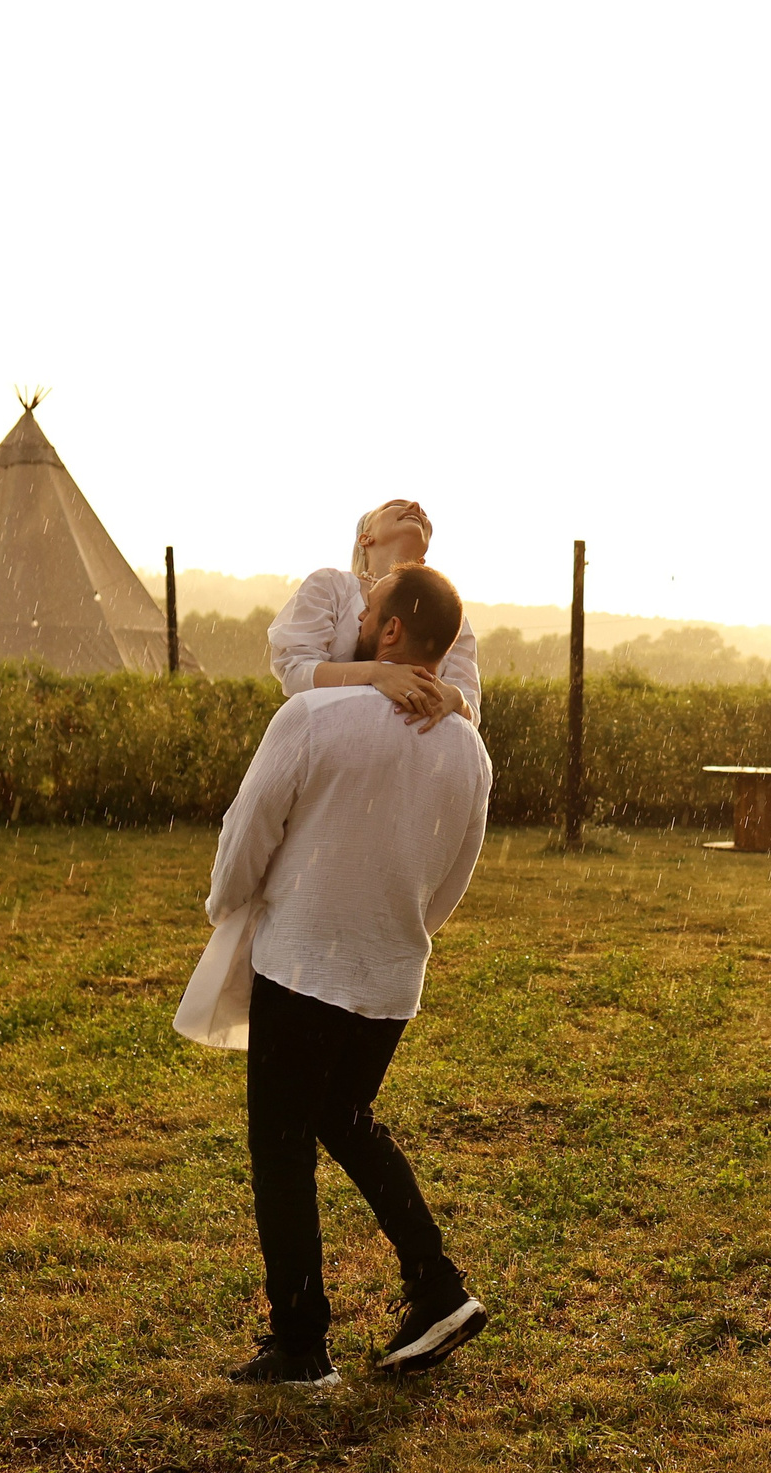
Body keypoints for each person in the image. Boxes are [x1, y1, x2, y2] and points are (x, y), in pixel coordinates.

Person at [175, 564, 494, 1387]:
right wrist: (399, 930)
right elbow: (453, 875)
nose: (354, 613)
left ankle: (301, 1343)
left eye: (368, 605)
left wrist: (227, 904)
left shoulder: (311, 716)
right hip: (390, 978)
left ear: (389, 632)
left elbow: (249, 830)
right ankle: (435, 1283)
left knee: (280, 1148)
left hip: (304, 962)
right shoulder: (468, 748)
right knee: (344, 1117)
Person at [267, 500, 481, 731]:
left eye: (423, 514)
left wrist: (457, 699)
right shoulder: (330, 586)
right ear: (365, 537)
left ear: (422, 559)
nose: (416, 506)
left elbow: (470, 715)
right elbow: (294, 670)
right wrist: (376, 673)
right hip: (330, 738)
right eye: (396, 505)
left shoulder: (447, 611)